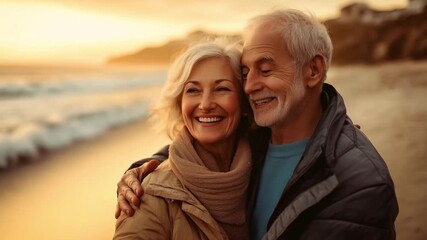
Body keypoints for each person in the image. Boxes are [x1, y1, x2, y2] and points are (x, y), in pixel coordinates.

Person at [116, 9, 399, 240]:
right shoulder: (252, 141)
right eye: (245, 72)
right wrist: (147, 168)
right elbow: (200, 152)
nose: (250, 86)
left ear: (313, 70)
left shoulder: (362, 183)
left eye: (265, 70)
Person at [113, 39, 253, 239]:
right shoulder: (148, 197)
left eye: (222, 88)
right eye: (193, 90)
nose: (205, 104)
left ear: (244, 101)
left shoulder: (263, 168)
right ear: (179, 103)